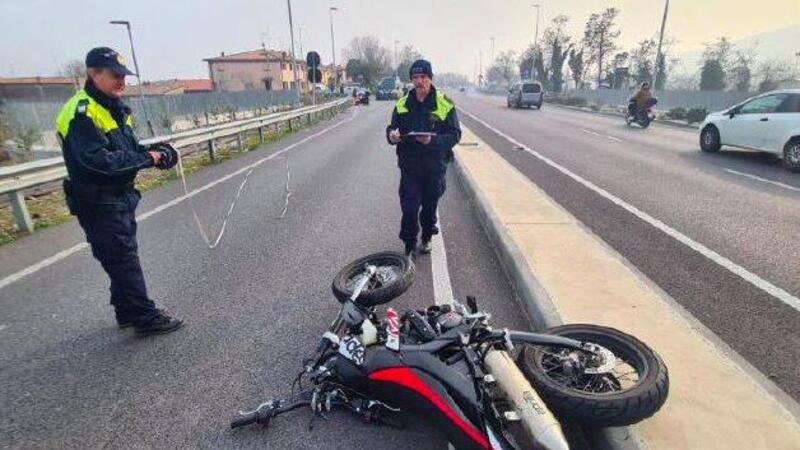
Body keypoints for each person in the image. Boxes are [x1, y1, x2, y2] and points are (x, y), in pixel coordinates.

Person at [55, 47, 183, 336]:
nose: (122, 82)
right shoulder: (81, 113)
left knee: (121, 255)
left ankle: (126, 309)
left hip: (119, 198)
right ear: (93, 74)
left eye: (124, 76)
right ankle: (145, 317)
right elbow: (98, 163)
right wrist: (147, 159)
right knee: (123, 257)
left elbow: (126, 151)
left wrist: (155, 153)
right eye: (115, 75)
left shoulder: (113, 107)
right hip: (97, 201)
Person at [386, 59, 461, 257]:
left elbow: (455, 135)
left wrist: (432, 142)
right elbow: (392, 129)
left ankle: (427, 235)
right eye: (415, 77)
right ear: (411, 79)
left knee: (429, 208)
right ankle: (409, 245)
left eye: (423, 77)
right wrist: (392, 136)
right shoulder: (402, 104)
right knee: (409, 208)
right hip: (410, 166)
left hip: (434, 167)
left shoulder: (444, 104)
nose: (419, 81)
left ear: (430, 78)